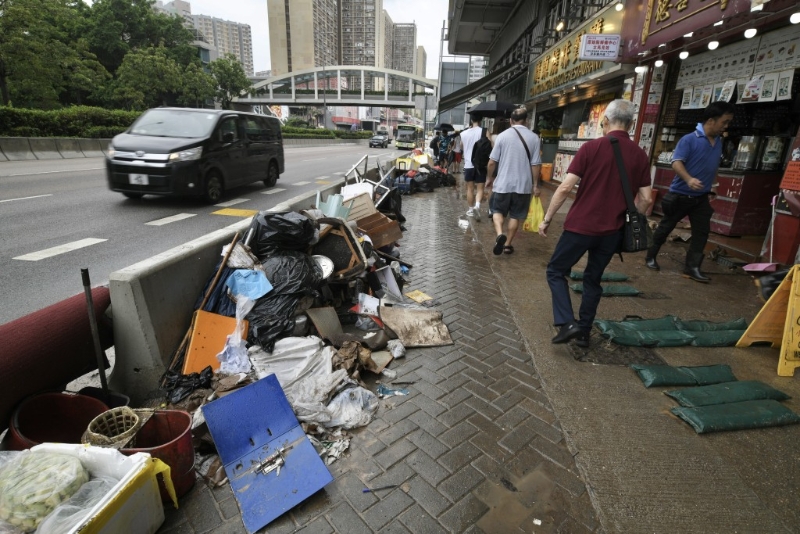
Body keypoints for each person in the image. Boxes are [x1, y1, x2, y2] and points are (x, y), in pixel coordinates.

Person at [538, 99, 652, 347]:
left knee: (556, 271)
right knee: (593, 279)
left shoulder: (591, 148)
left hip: (580, 227)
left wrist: (547, 219)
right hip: (612, 231)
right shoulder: (640, 155)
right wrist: (631, 222)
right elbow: (645, 199)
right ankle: (584, 332)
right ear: (631, 125)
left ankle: (568, 323)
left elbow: (565, 187)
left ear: (605, 121)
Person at [645, 101, 735, 283]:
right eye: (724, 122)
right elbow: (676, 162)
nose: (726, 127)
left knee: (701, 232)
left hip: (701, 198)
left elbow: (714, 164)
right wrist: (689, 179)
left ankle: (692, 267)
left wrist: (715, 184)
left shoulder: (717, 142)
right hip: (680, 194)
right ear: (711, 120)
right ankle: (650, 256)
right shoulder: (689, 139)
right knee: (666, 227)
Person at [486, 107, 541, 255]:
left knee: (497, 211)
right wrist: (535, 185)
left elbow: (492, 162)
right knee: (516, 215)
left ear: (510, 121)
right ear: (527, 121)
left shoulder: (502, 137)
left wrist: (489, 178)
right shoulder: (534, 138)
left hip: (502, 184)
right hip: (523, 186)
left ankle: (499, 234)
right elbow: (535, 164)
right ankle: (508, 244)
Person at [460, 114, 487, 220]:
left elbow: (462, 146)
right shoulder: (484, 131)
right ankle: (477, 206)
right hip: (480, 165)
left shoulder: (463, 133)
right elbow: (490, 146)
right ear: (481, 120)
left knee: (470, 189)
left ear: (471, 120)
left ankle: (471, 210)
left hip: (468, 165)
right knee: (480, 189)